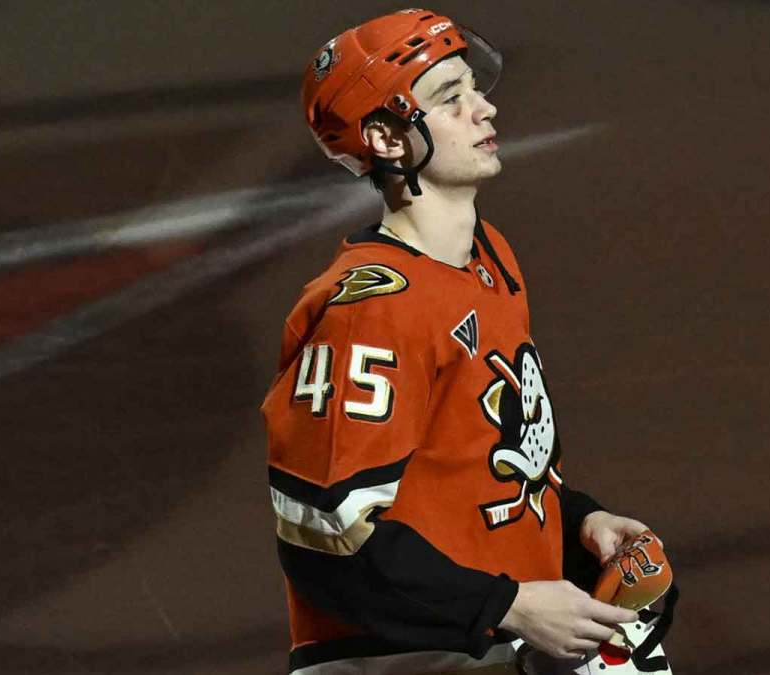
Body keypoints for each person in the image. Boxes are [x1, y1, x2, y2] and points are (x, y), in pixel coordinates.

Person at [262, 8, 655, 674]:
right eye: (450, 99)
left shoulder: (488, 254)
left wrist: (578, 522)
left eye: (474, 88)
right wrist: (508, 605)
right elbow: (325, 538)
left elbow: (482, 465)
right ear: (386, 139)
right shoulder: (368, 312)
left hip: (490, 642)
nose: (485, 111)